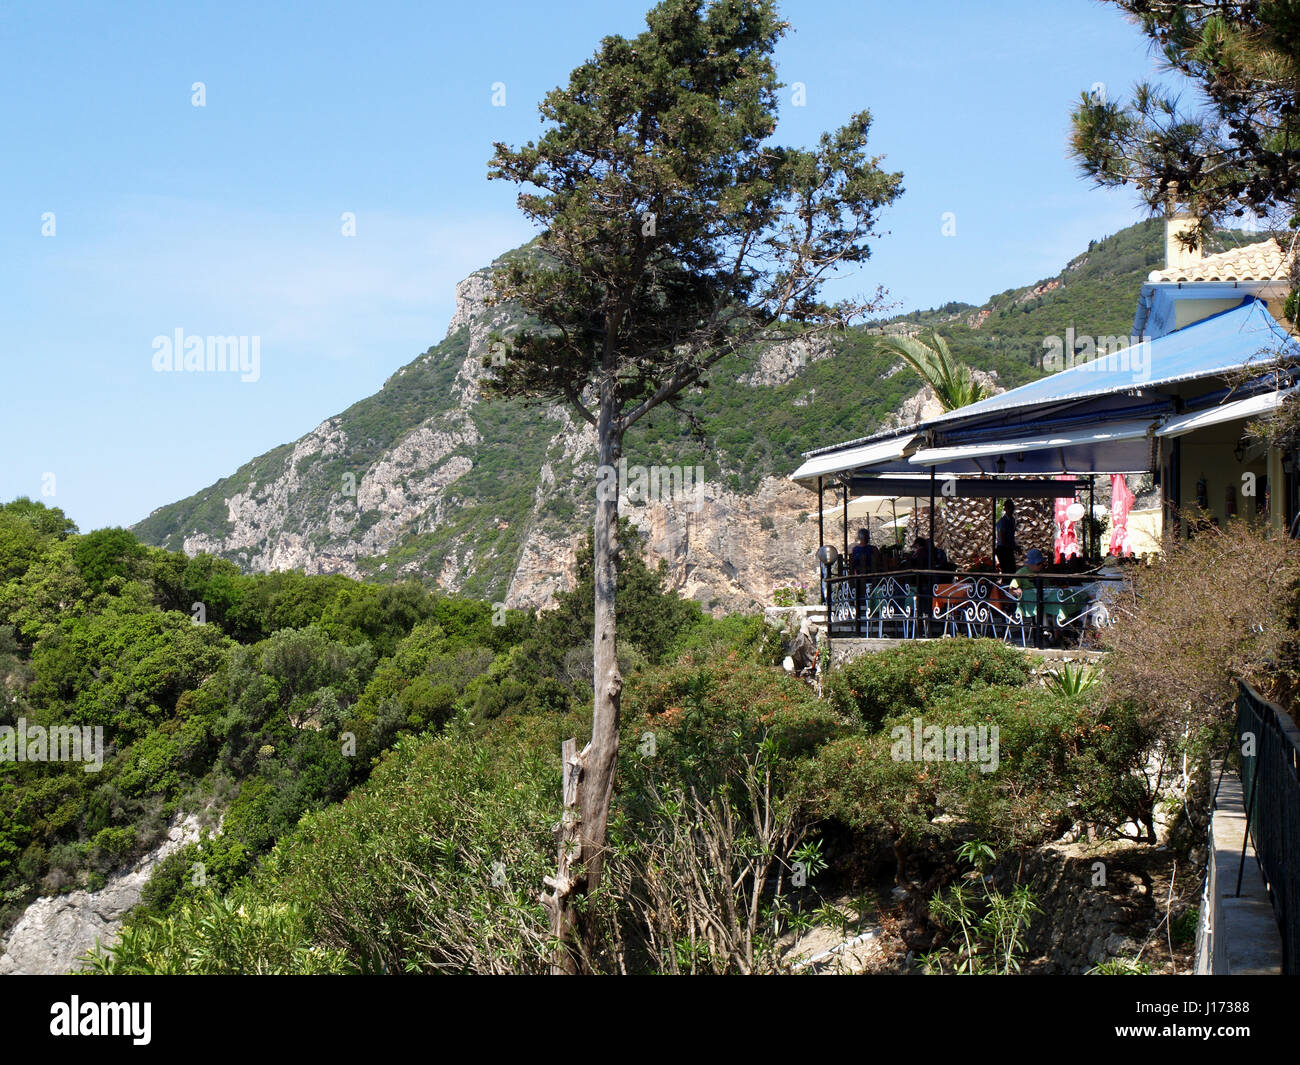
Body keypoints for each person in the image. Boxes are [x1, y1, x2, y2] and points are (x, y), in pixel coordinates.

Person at [995, 500, 1017, 575]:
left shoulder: (1012, 520)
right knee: (1007, 571)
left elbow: (1011, 536)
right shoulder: (1003, 521)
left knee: (1012, 570)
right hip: (1003, 549)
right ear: (1005, 509)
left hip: (1009, 548)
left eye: (1012, 507)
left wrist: (1014, 546)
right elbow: (1002, 538)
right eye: (1008, 507)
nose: (1011, 509)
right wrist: (1012, 546)